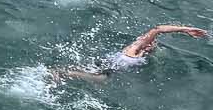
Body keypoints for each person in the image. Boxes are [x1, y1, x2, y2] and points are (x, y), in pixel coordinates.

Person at [54, 25, 208, 80]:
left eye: (153, 44)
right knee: (100, 79)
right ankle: (61, 73)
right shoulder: (135, 48)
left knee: (98, 78)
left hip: (108, 67)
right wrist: (185, 29)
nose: (152, 44)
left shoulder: (141, 52)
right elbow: (158, 29)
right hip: (107, 69)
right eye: (151, 42)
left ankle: (62, 73)